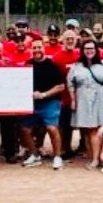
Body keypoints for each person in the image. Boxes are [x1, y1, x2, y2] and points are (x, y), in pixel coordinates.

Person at [66, 41, 103, 170]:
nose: (89, 51)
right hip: (83, 98)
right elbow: (70, 84)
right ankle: (95, 156)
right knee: (87, 130)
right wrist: (73, 100)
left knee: (96, 129)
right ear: (82, 50)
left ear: (96, 50)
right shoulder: (76, 66)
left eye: (92, 48)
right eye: (86, 48)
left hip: (100, 97)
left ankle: (96, 159)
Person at [22, 37, 67, 169]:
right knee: (25, 129)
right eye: (34, 47)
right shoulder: (27, 65)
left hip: (50, 102)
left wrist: (44, 95)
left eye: (39, 47)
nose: (37, 50)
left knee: (52, 128)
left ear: (44, 48)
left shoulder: (53, 65)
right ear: (31, 49)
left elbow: (60, 86)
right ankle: (34, 155)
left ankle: (57, 157)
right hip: (31, 102)